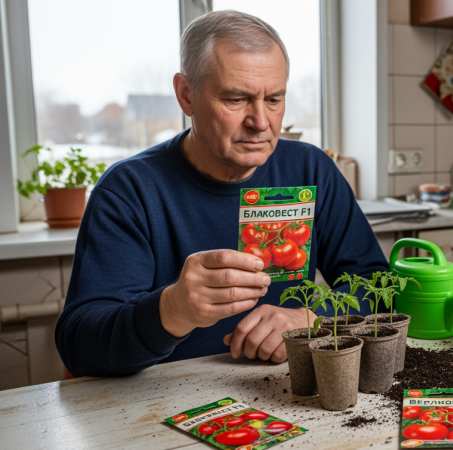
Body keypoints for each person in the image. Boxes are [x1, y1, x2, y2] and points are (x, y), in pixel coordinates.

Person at [56, 11, 388, 377]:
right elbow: (79, 346)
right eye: (236, 99)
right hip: (162, 403)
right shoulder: (129, 190)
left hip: (285, 390)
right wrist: (171, 310)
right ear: (186, 96)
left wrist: (313, 318)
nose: (260, 122)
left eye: (274, 100)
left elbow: (379, 287)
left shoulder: (312, 170)